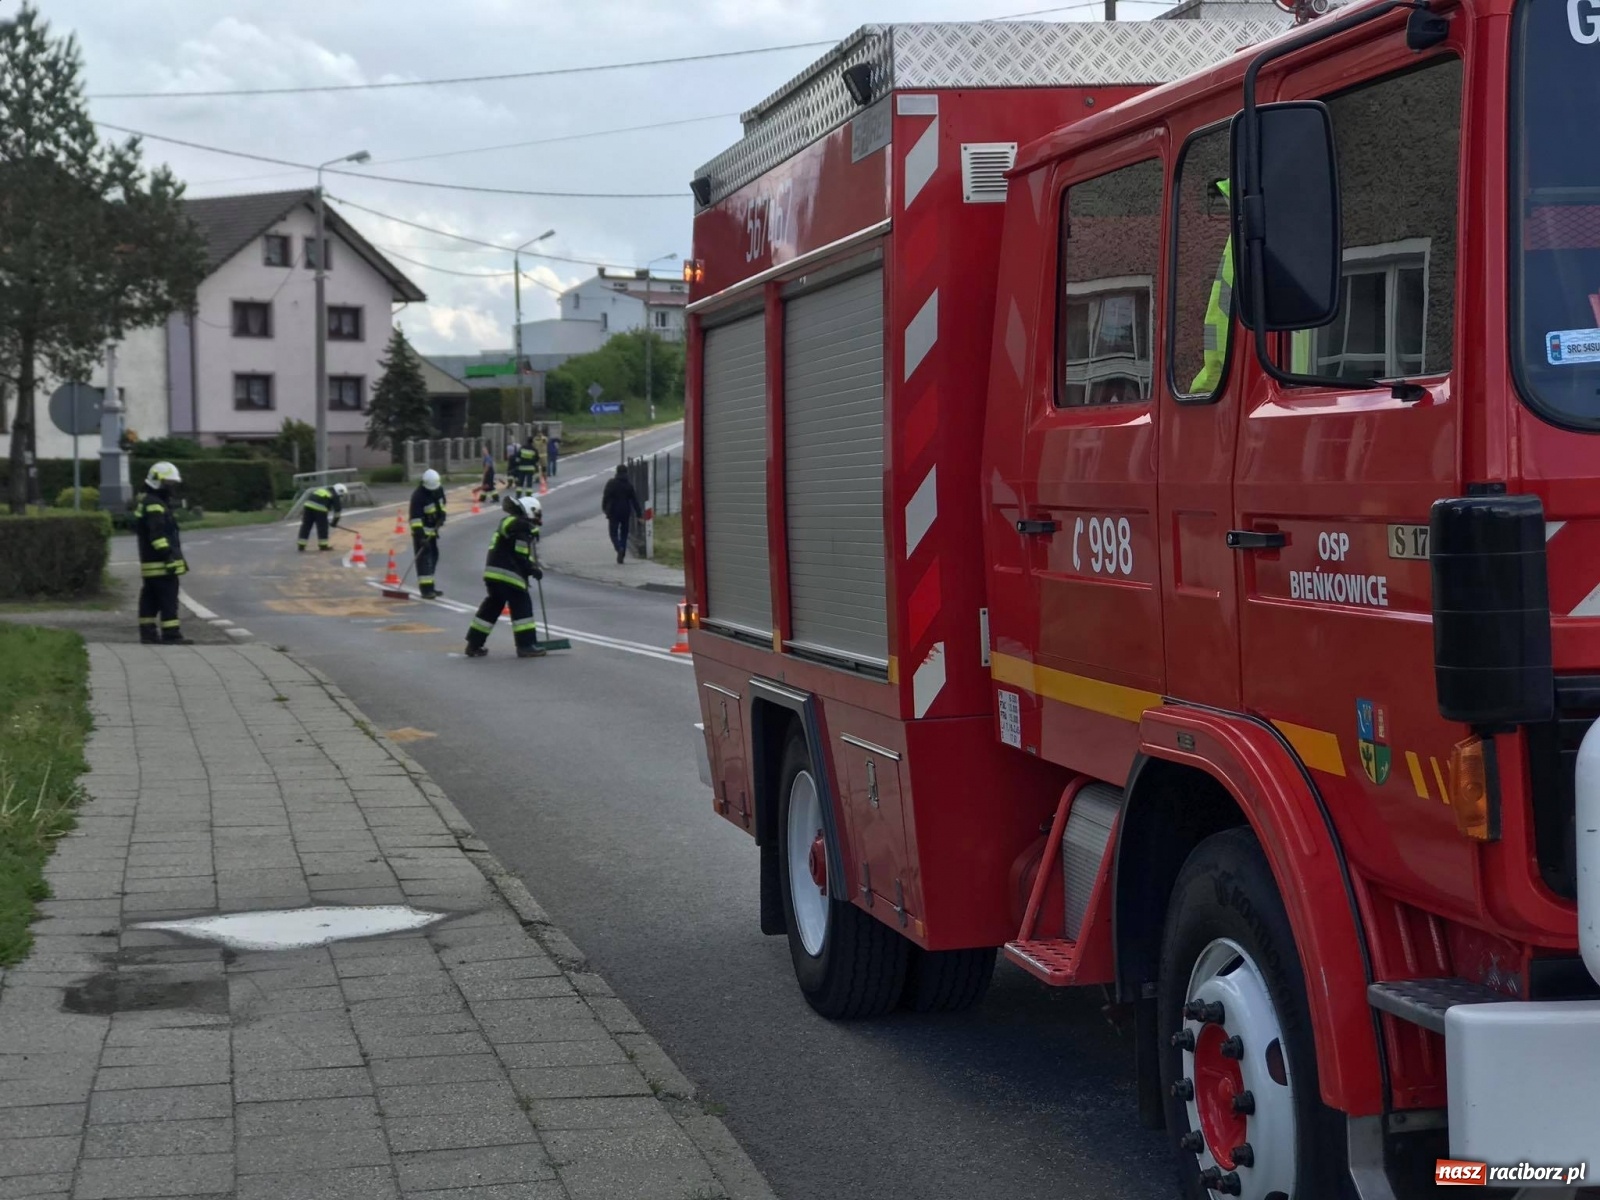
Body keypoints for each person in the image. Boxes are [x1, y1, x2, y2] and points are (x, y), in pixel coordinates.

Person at [464, 495, 546, 659]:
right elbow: (520, 554)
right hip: (510, 575)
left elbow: (514, 551)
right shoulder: (522, 526)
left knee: (491, 608)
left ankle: (474, 644)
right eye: (537, 514)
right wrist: (532, 569)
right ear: (530, 511)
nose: (538, 519)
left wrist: (531, 565)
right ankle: (526, 645)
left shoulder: (510, 522)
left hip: (493, 574)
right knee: (522, 607)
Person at [134, 461, 192, 645]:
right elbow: (157, 535)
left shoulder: (148, 502)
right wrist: (168, 555)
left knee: (150, 599)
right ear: (158, 482)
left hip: (150, 564)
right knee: (168, 600)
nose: (172, 488)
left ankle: (148, 633)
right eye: (169, 484)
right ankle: (171, 634)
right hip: (162, 564)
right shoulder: (155, 505)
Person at [409, 467, 448, 599]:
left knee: (434, 557)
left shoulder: (438, 489)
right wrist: (421, 538)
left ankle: (431, 587)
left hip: (432, 532)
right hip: (422, 535)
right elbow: (415, 519)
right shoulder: (418, 496)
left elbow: (442, 503)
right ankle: (425, 591)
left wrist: (442, 515)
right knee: (424, 561)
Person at [601, 464, 642, 565]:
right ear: (626, 473)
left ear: (617, 472)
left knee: (613, 533)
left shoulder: (611, 483)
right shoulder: (628, 485)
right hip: (625, 511)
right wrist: (639, 514)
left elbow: (605, 497)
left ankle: (619, 547)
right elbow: (634, 500)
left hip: (613, 511)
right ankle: (622, 550)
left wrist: (605, 509)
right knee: (624, 533)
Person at [297, 481, 346, 551]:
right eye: (341, 495)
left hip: (308, 506)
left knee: (306, 526)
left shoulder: (324, 490)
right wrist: (334, 522)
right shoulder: (335, 495)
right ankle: (323, 545)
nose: (340, 497)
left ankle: (301, 545)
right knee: (322, 527)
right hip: (320, 508)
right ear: (339, 491)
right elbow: (337, 511)